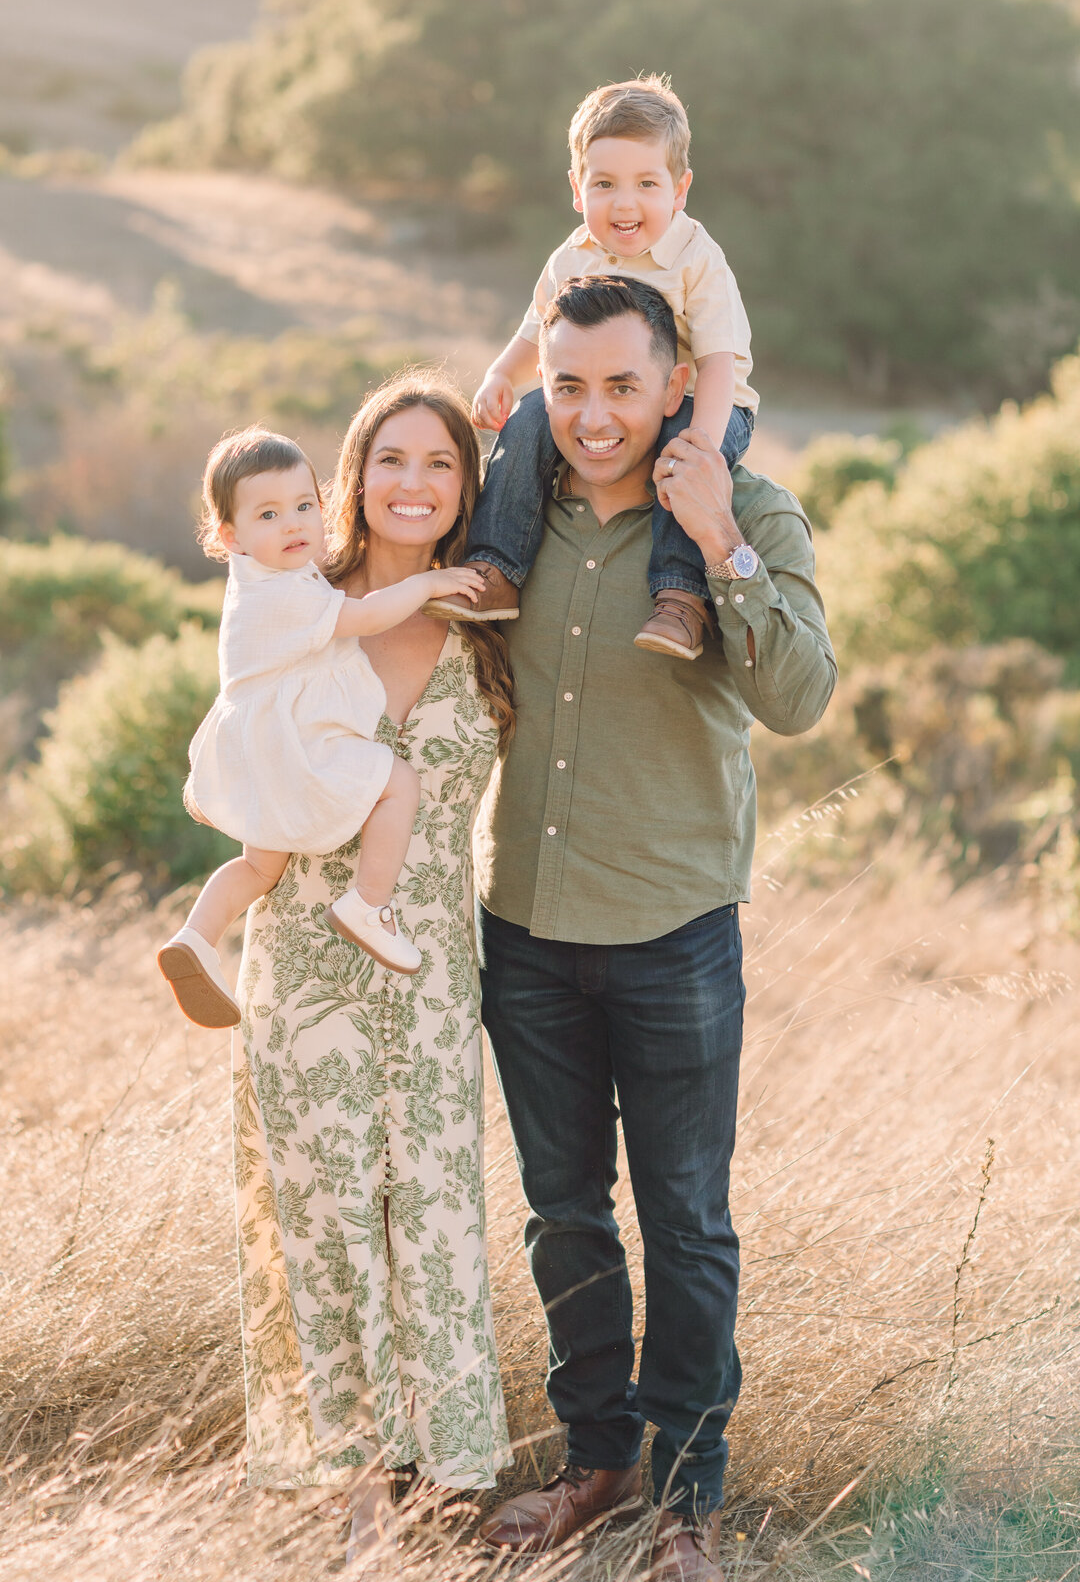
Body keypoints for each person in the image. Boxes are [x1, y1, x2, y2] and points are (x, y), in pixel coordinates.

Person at [472, 276, 836, 1580]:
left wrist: (719, 543)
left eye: (622, 384)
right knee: (564, 1213)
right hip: (521, 927)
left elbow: (800, 697)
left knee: (685, 1218)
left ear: (679, 384)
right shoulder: (514, 516)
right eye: (568, 386)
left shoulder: (748, 508)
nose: (592, 413)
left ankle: (691, 1499)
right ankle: (596, 1460)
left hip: (674, 930)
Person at [229, 376, 514, 1562]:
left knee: (435, 1215)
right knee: (331, 1216)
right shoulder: (297, 601)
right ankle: (358, 1500)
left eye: (440, 464)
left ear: (467, 486)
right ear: (355, 474)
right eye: (391, 459)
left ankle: (449, 1485)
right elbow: (238, 749)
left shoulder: (493, 616)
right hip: (301, 952)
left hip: (431, 956)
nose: (413, 483)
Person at [156, 425, 487, 1024]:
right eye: (270, 514)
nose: (294, 525)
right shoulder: (284, 594)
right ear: (229, 536)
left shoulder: (269, 576)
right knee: (397, 783)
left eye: (305, 506)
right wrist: (431, 582)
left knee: (261, 866)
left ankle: (198, 938)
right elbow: (363, 615)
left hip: (267, 743)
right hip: (293, 744)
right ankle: (369, 903)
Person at [426, 75, 758, 662]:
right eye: (604, 183)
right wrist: (503, 374)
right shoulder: (571, 257)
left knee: (681, 458)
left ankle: (682, 600)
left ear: (679, 190)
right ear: (578, 189)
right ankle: (496, 568)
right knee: (527, 420)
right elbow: (538, 326)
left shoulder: (698, 259)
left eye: (646, 184)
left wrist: (703, 443)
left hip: (707, 401)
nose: (624, 203)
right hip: (613, 400)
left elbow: (717, 362)